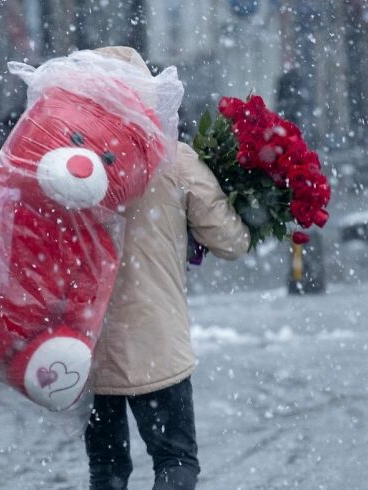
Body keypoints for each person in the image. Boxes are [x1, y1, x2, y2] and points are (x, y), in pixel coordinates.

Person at [84, 47, 251, 490]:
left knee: (107, 470)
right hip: (155, 341)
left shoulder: (67, 164)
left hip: (88, 345)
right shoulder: (172, 157)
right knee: (175, 460)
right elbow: (230, 241)